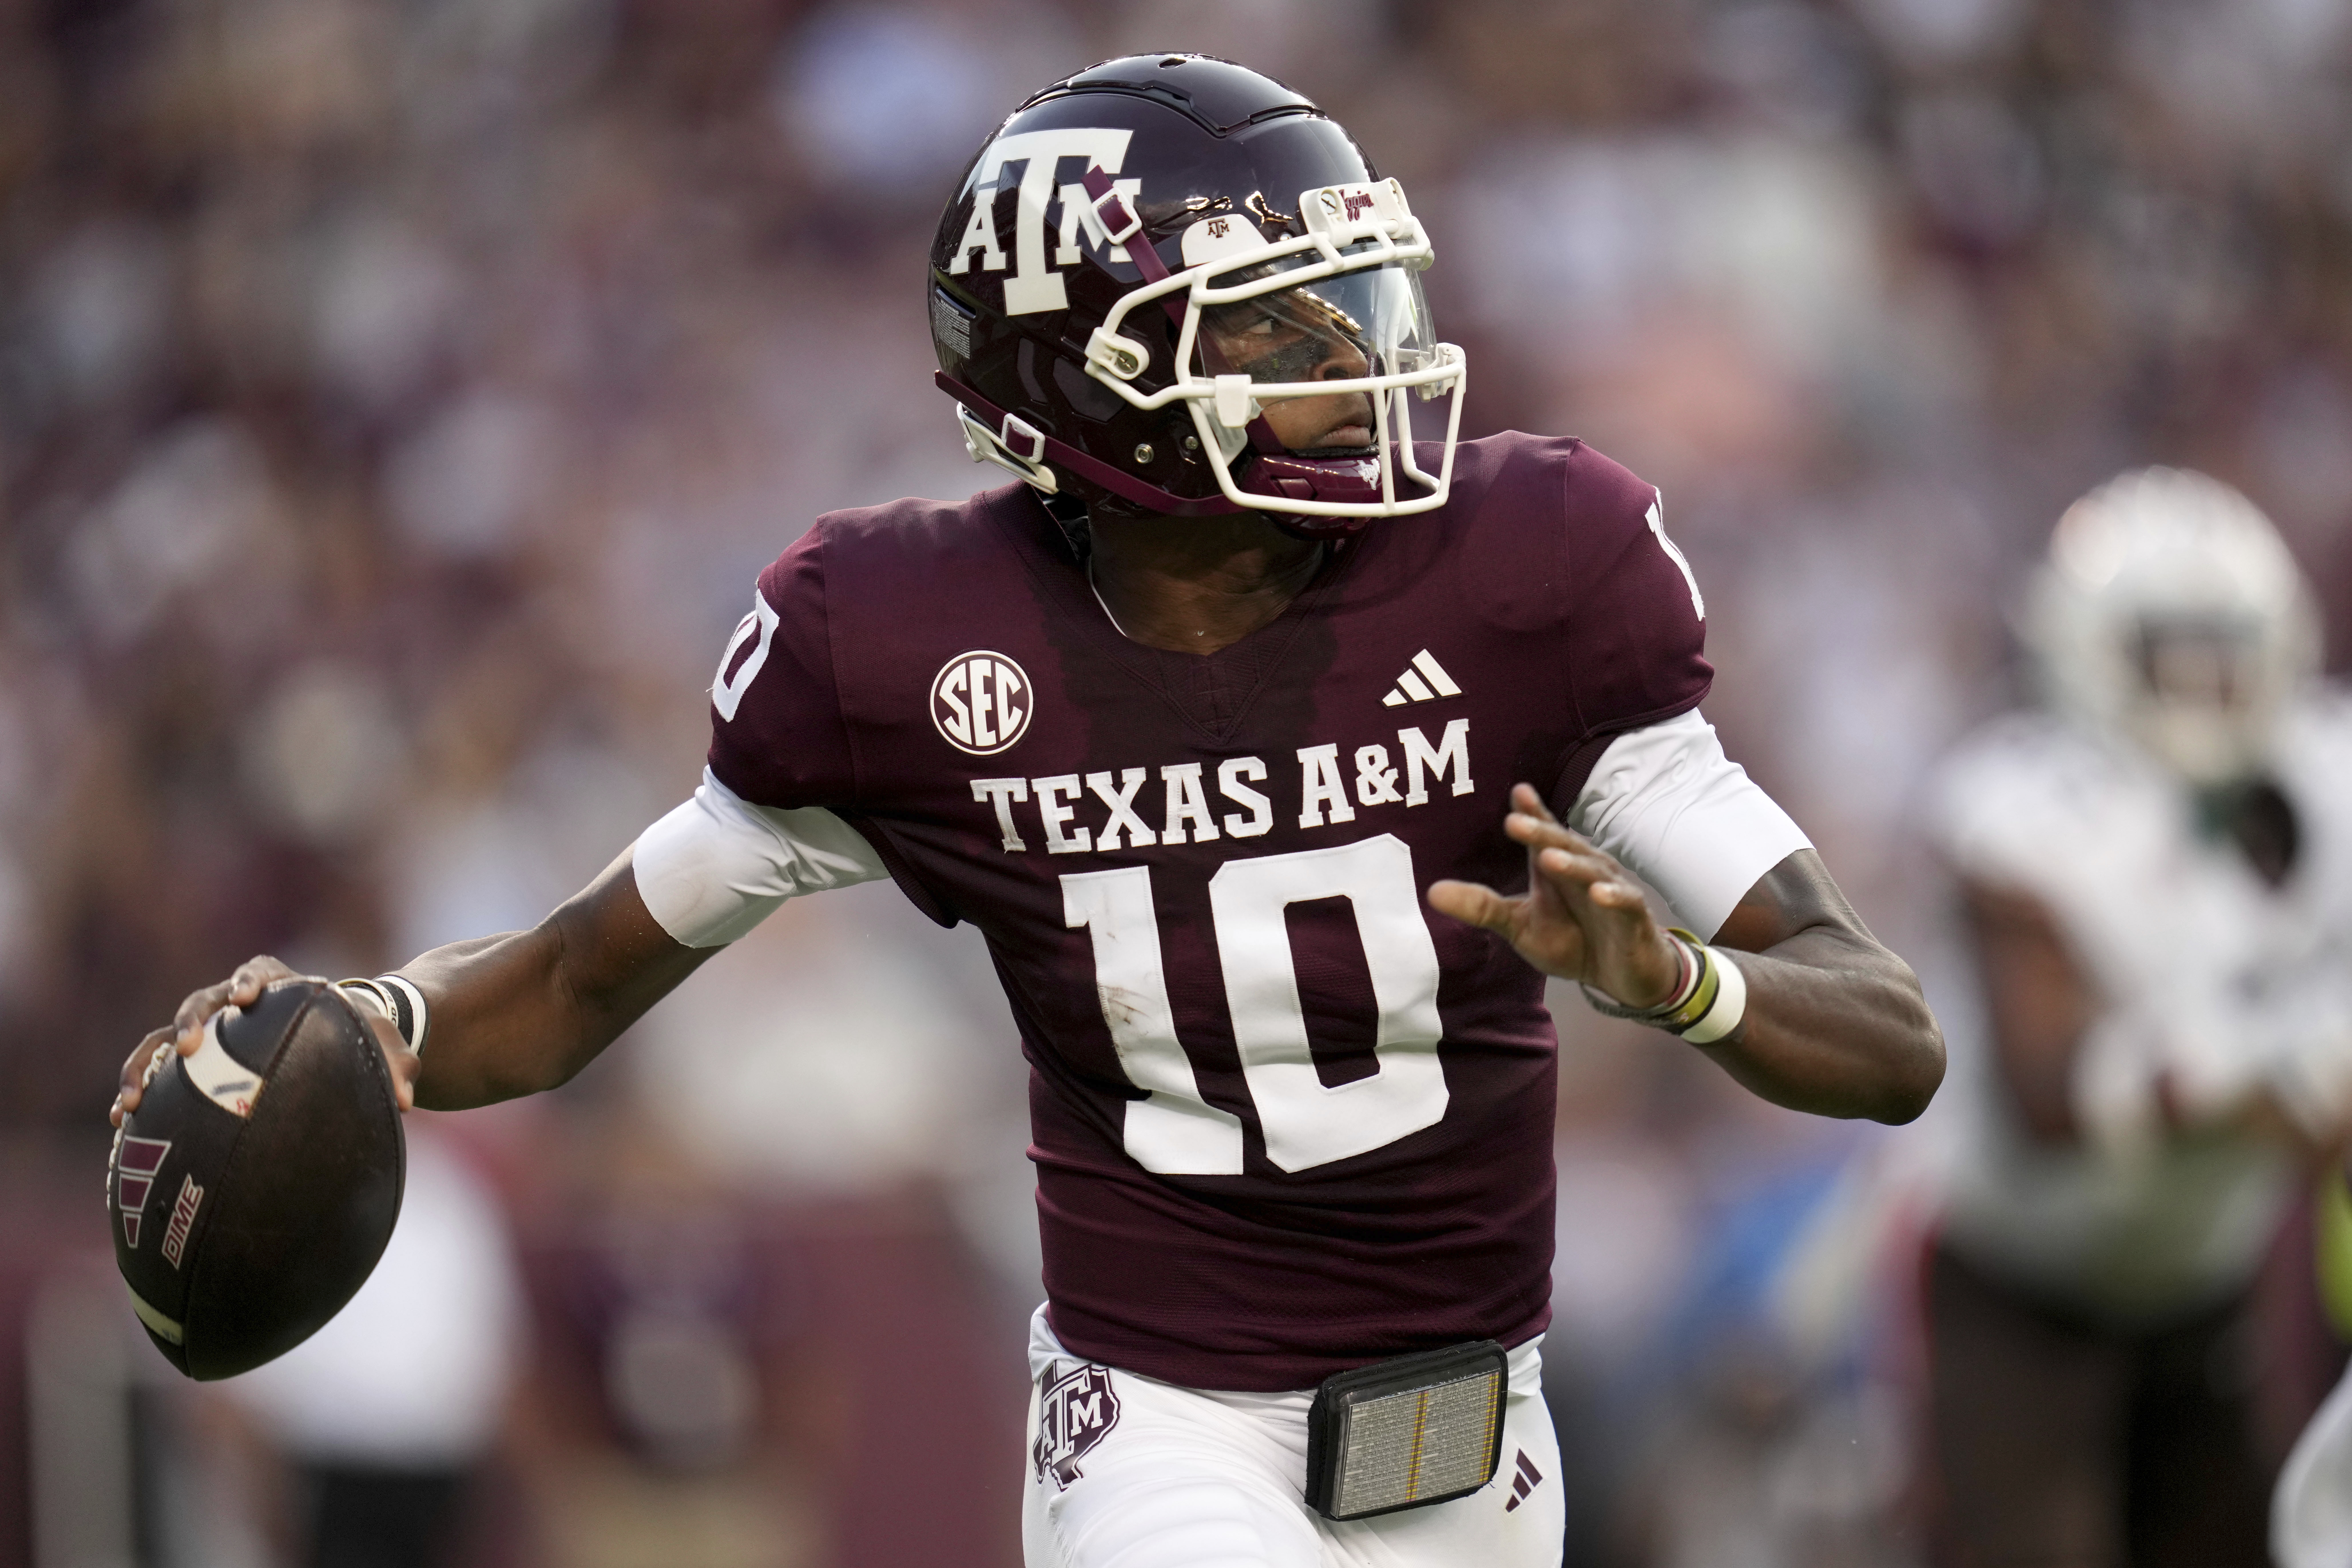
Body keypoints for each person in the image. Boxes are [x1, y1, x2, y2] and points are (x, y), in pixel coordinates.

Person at [114, 56, 1942, 1568]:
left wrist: (1686, 984)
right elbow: (585, 968)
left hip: (1471, 1428)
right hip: (1165, 1420)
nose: (1353, 355)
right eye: (1274, 323)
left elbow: (1891, 1038)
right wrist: (382, 1022)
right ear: (1095, 388)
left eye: (1345, 296)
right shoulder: (902, 649)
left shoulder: (1537, 572)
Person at [1922, 467, 2352, 1568]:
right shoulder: (2032, 808)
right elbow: (2052, 1094)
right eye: (2176, 656)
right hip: (2021, 1290)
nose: (2208, 689)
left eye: (2228, 653)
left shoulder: (2326, 774)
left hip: (2210, 1286)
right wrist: (2262, 1071)